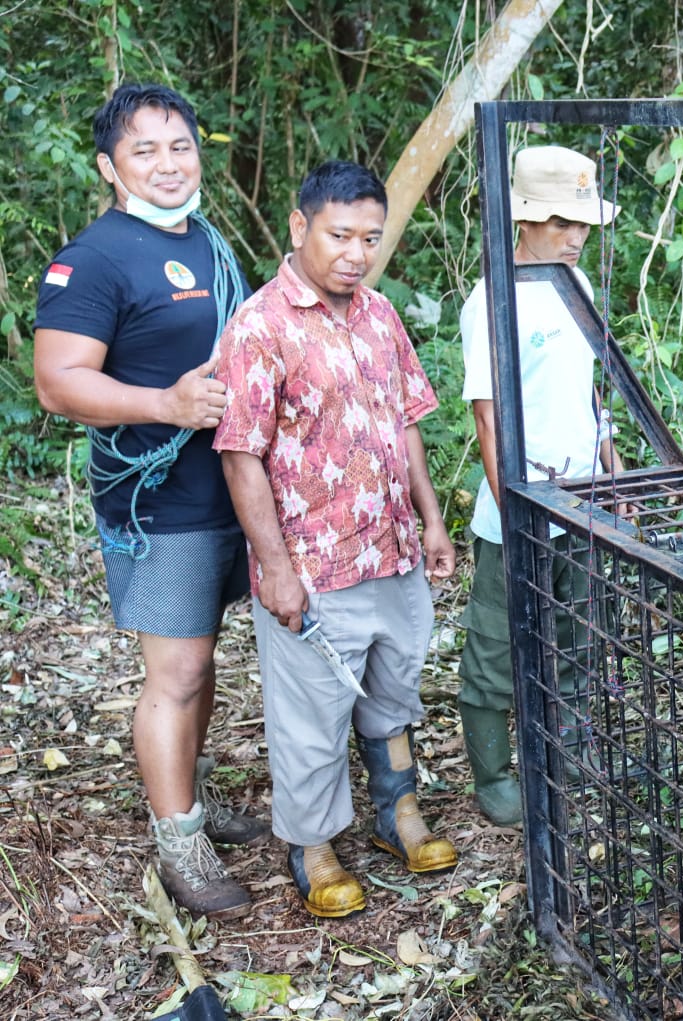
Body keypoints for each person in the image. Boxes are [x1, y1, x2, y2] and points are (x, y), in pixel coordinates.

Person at [32, 83, 265, 920]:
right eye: (144, 150)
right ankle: (178, 845)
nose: (168, 164)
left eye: (180, 146)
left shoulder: (204, 237)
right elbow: (58, 383)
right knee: (177, 671)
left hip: (228, 486)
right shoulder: (92, 258)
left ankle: (190, 798)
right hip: (156, 499)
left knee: (203, 662)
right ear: (108, 166)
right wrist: (164, 404)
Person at [214, 160, 458, 918]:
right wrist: (276, 569)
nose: (356, 253)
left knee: (393, 694)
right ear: (300, 228)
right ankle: (313, 846)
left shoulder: (380, 314)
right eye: (340, 235)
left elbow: (406, 423)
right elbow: (239, 453)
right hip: (313, 568)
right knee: (311, 716)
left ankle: (399, 814)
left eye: (370, 238)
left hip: (391, 552)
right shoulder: (259, 326)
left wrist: (432, 518)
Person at [457, 145, 624, 826]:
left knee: (580, 631)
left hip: (580, 500)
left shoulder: (574, 286)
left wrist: (611, 465)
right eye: (561, 222)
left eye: (582, 223)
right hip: (518, 512)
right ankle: (495, 774)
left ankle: (568, 753)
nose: (575, 235)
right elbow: (487, 420)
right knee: (498, 643)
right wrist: (514, 509)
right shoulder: (491, 300)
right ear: (525, 220)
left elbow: (585, 391)